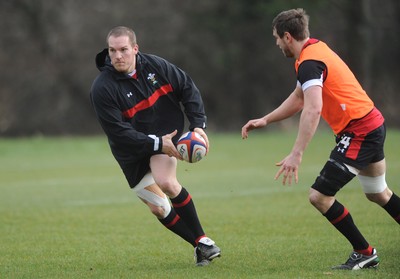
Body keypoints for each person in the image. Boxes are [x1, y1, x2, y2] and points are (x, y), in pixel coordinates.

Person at [242, 8, 400, 270]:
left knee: (319, 196)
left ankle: (364, 252)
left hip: (360, 131)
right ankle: (364, 251)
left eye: (277, 38)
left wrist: (297, 153)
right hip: (371, 124)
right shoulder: (315, 50)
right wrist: (267, 119)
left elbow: (312, 108)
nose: (277, 44)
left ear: (288, 36)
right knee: (378, 193)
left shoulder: (309, 63)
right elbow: (300, 98)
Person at [90, 26, 220, 266]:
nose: (117, 56)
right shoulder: (102, 88)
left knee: (166, 182)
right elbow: (118, 132)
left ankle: (202, 239)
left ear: (135, 49)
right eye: (112, 50)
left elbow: (187, 87)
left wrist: (198, 124)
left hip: (165, 136)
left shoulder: (156, 66)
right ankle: (201, 246)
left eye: (123, 50)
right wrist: (156, 143)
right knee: (158, 207)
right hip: (130, 150)